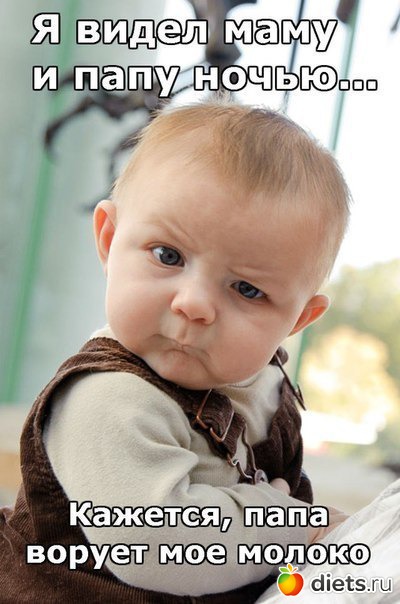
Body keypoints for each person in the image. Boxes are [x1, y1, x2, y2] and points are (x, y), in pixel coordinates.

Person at [0, 100, 350, 603]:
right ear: (109, 240)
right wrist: (288, 527)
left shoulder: (266, 387)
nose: (194, 304)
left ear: (297, 320)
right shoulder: (107, 399)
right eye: (169, 256)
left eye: (247, 289)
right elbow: (153, 543)